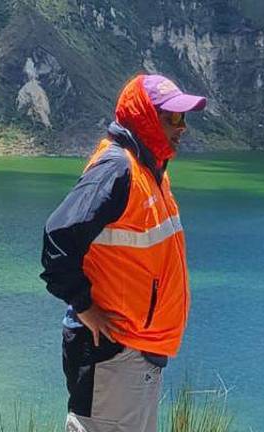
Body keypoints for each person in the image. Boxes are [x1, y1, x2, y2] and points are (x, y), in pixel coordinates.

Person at [40, 74, 207, 432]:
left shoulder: (151, 173)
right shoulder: (118, 170)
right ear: (146, 117)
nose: (182, 128)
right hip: (112, 354)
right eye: (172, 118)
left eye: (184, 118)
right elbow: (57, 239)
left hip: (137, 353)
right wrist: (85, 307)